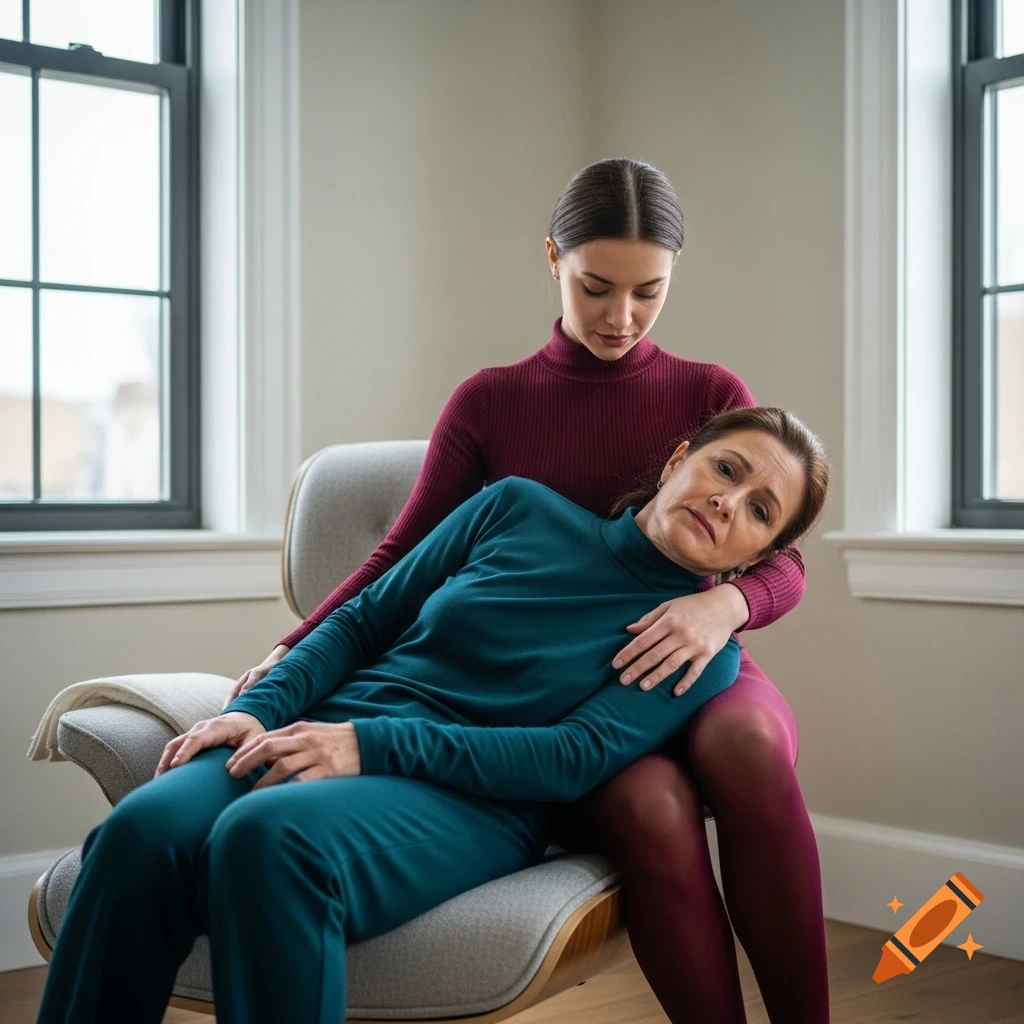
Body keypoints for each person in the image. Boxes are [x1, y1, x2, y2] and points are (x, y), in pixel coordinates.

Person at [225, 157, 831, 1023]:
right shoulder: (491, 400)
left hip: (682, 645)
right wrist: (292, 651)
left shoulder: (709, 392)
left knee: (748, 743)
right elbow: (403, 552)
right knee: (650, 803)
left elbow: (782, 552)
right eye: (596, 288)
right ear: (554, 259)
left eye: (649, 292)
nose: (621, 318)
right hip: (562, 675)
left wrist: (724, 604)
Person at [35, 407, 829, 1024]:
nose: (727, 502)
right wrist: (255, 709)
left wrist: (368, 745)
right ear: (678, 459)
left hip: (473, 801)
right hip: (329, 726)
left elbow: (571, 758)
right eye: (726, 469)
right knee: (139, 833)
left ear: (756, 558)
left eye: (760, 511)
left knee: (269, 839)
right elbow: (362, 621)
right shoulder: (514, 508)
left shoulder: (698, 648)